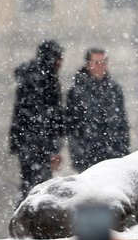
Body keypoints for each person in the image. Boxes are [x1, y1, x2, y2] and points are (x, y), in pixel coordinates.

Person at [10, 40, 65, 199]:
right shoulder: (47, 80)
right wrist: (53, 148)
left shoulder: (28, 77)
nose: (61, 63)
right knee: (40, 188)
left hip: (27, 143)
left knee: (29, 185)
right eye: (59, 58)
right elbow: (51, 117)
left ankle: (26, 218)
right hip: (38, 145)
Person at [65, 48, 129, 172]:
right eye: (96, 63)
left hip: (113, 154)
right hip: (87, 155)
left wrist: (123, 151)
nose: (100, 67)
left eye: (103, 62)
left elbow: (122, 122)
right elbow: (72, 127)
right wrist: (78, 155)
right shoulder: (77, 91)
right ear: (88, 64)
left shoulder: (114, 89)